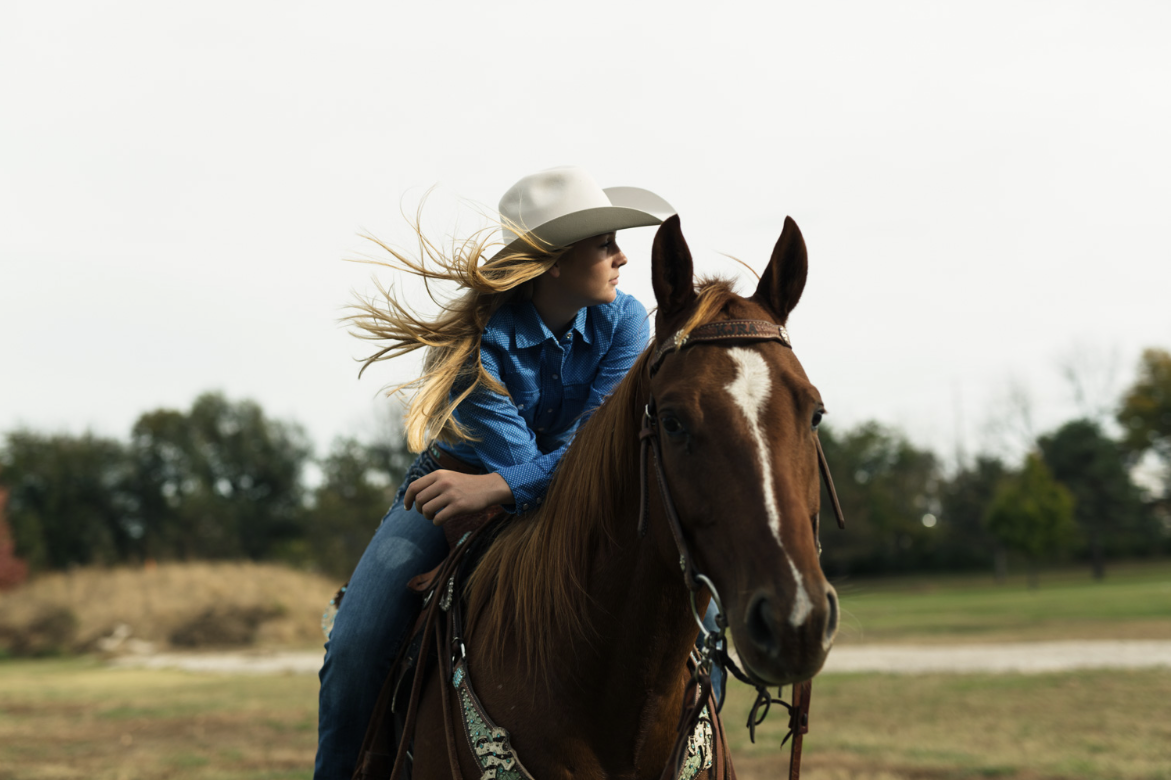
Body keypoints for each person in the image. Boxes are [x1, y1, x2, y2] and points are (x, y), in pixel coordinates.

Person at [314, 166, 717, 780]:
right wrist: (496, 485)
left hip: (540, 488)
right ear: (555, 262)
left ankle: (689, 758)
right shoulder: (469, 346)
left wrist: (501, 486)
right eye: (605, 244)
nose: (622, 257)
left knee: (703, 618)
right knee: (355, 644)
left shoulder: (626, 321)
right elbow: (552, 462)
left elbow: (594, 456)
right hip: (451, 486)